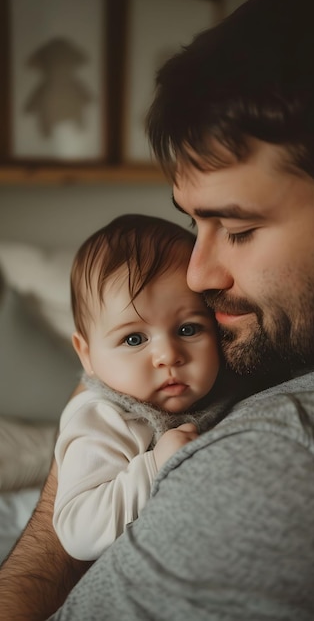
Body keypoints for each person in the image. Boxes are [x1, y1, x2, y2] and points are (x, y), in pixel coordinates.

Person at [1, 0, 314, 619]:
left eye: (238, 228)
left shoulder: (299, 455)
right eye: (193, 223)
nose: (198, 272)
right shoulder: (283, 341)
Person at [53, 213, 226, 561]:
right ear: (87, 355)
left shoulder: (226, 382)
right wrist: (154, 465)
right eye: (134, 338)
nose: (168, 355)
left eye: (189, 329)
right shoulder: (103, 418)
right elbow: (77, 532)